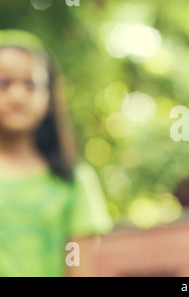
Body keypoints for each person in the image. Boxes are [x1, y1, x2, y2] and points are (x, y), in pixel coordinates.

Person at [0, 30, 113, 277]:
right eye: (3, 83)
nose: (17, 95)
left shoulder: (73, 181)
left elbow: (80, 270)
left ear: (50, 96)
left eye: (30, 84)